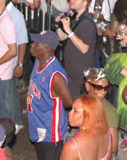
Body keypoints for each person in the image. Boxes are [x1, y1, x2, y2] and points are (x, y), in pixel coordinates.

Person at [27, 31, 73, 160]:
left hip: (51, 131)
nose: (32, 45)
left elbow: (68, 102)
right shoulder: (38, 60)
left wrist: (49, 106)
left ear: (46, 48)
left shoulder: (55, 75)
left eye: (36, 43)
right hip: (38, 124)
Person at [55, 0, 97, 99]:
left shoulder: (87, 23)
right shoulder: (76, 18)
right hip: (70, 71)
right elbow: (63, 38)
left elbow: (84, 48)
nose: (71, 0)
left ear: (84, 3)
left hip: (80, 75)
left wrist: (69, 31)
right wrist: (58, 26)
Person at [61, 95, 112, 160]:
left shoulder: (72, 146)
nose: (69, 113)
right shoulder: (107, 133)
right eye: (72, 109)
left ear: (87, 117)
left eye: (75, 111)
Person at [83, 68, 119, 157]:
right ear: (87, 86)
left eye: (106, 88)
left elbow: (113, 147)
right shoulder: (81, 103)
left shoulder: (109, 112)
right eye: (98, 87)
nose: (103, 92)